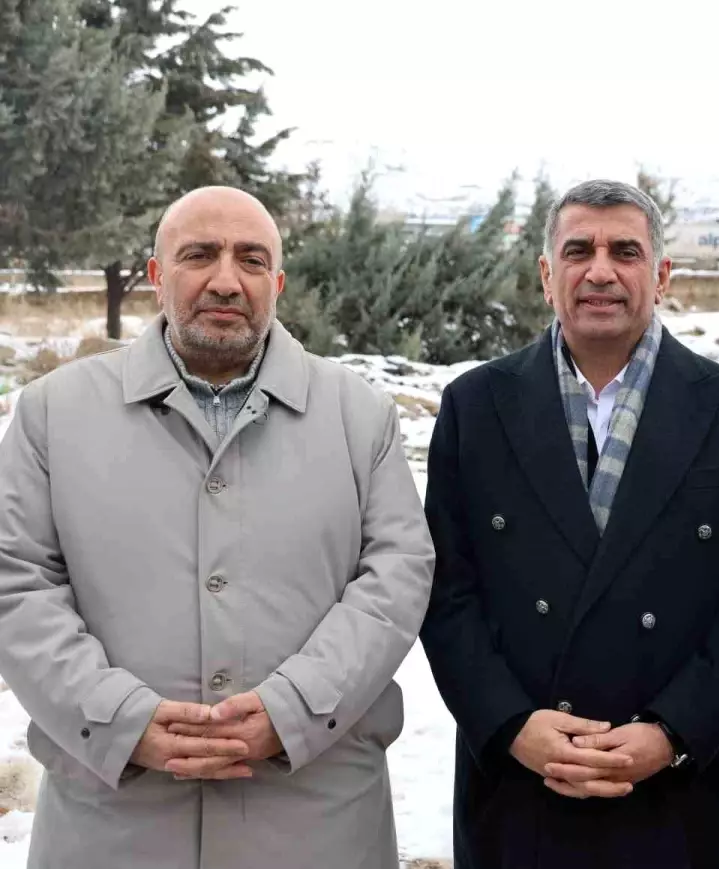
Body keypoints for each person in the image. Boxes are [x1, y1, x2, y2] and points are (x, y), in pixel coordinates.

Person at [0, 186, 435, 869]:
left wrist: (296, 708)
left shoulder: (360, 416)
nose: (226, 280)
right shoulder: (53, 413)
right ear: (156, 275)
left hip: (316, 827)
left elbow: (396, 578)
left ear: (277, 283)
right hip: (112, 828)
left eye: (251, 260)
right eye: (199, 255)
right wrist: (117, 717)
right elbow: (17, 583)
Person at [419, 179, 719, 869]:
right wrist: (511, 724)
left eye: (625, 251)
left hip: (674, 797)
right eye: (578, 251)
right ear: (546, 275)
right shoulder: (475, 407)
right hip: (516, 790)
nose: (600, 271)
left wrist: (673, 732)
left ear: (661, 273)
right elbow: (444, 591)